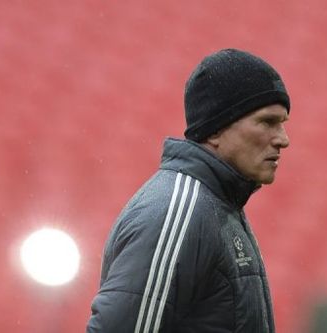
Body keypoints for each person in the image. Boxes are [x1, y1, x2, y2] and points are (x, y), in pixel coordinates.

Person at [86, 48, 291, 333]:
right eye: (268, 122)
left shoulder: (216, 205)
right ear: (216, 129)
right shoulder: (178, 211)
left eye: (282, 124)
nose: (283, 139)